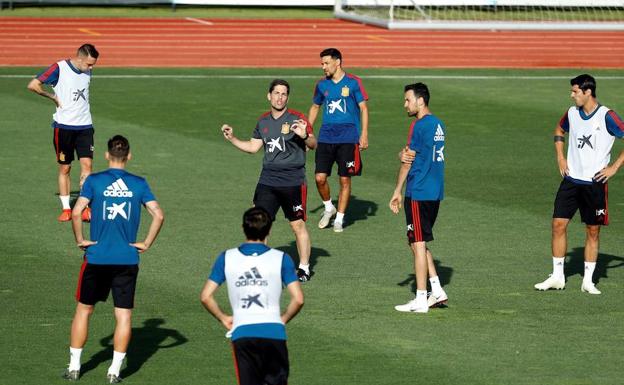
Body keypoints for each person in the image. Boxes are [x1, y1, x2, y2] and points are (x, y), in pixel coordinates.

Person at [63, 135, 164, 383]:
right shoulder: (139, 184)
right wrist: (147, 243)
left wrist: (80, 239)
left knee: (84, 310)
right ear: (128, 156)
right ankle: (114, 372)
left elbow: (76, 212)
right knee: (124, 316)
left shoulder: (95, 181)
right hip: (127, 259)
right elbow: (158, 215)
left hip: (96, 257)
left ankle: (75, 367)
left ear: (107, 155)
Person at [535, 74, 624, 295]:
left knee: (592, 231)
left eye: (575, 91)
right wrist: (560, 157)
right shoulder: (571, 114)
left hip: (595, 184)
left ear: (587, 92)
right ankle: (557, 277)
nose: (572, 95)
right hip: (571, 181)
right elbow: (559, 131)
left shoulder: (607, 116)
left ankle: (588, 281)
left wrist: (614, 167)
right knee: (558, 225)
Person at [221, 79, 317, 282]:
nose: (280, 97)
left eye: (284, 94)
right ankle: (259, 265)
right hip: (268, 181)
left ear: (287, 97)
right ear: (269, 96)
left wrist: (305, 135)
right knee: (259, 223)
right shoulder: (263, 122)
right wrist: (233, 138)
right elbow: (253, 148)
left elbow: (313, 143)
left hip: (293, 181)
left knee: (297, 225)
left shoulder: (298, 118)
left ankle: (305, 268)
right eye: (276, 93)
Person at [200, 206, 304, 385]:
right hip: (274, 333)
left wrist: (223, 318)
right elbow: (299, 299)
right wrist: (283, 319)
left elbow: (205, 296)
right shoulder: (282, 258)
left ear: (243, 228)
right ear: (269, 230)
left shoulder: (226, 257)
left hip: (243, 334)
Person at [389, 83, 449, 313]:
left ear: (420, 101)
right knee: (416, 240)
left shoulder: (419, 125)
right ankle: (437, 289)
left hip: (419, 191)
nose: (405, 104)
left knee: (418, 242)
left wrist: (397, 191)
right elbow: (419, 153)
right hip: (435, 191)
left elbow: (408, 160)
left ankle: (421, 298)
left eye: (408, 100)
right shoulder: (438, 124)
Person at [27, 43, 99, 222]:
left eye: (93, 65)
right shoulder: (58, 68)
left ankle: (85, 208)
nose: (91, 68)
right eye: (89, 64)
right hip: (64, 128)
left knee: (87, 167)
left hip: (85, 126)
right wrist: (52, 97)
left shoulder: (87, 70)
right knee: (65, 167)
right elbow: (33, 85)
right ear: (80, 58)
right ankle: (67, 208)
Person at [308, 48, 369, 232]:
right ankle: (329, 207)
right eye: (322, 64)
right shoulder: (322, 85)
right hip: (326, 138)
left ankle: (339, 219)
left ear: (338, 62)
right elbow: (315, 107)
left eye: (326, 63)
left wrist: (364, 133)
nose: (323, 67)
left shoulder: (353, 82)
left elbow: (363, 108)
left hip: (348, 139)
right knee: (319, 178)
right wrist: (307, 132)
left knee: (344, 180)